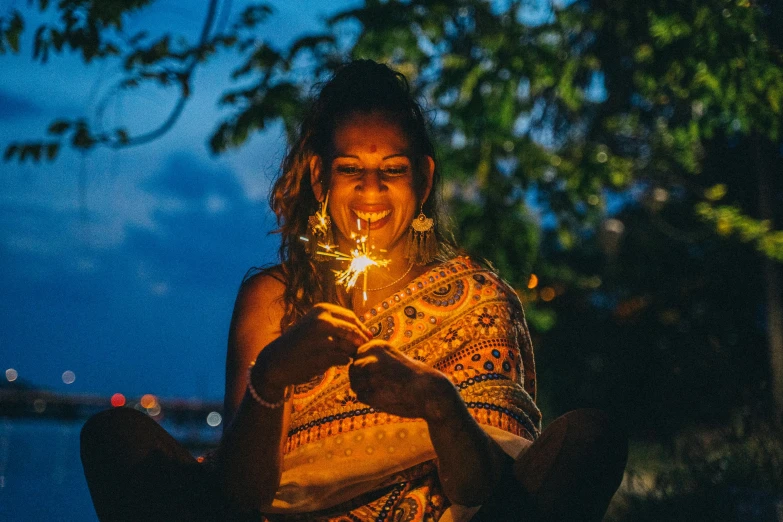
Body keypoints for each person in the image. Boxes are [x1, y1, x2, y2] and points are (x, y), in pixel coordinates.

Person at [80, 60, 628, 522]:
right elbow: (240, 499)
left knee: (588, 438)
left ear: (424, 179)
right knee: (116, 437)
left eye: (392, 169)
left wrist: (436, 403)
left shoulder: (480, 300)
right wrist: (271, 380)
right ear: (320, 179)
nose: (372, 191)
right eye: (351, 170)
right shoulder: (273, 300)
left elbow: (487, 492)